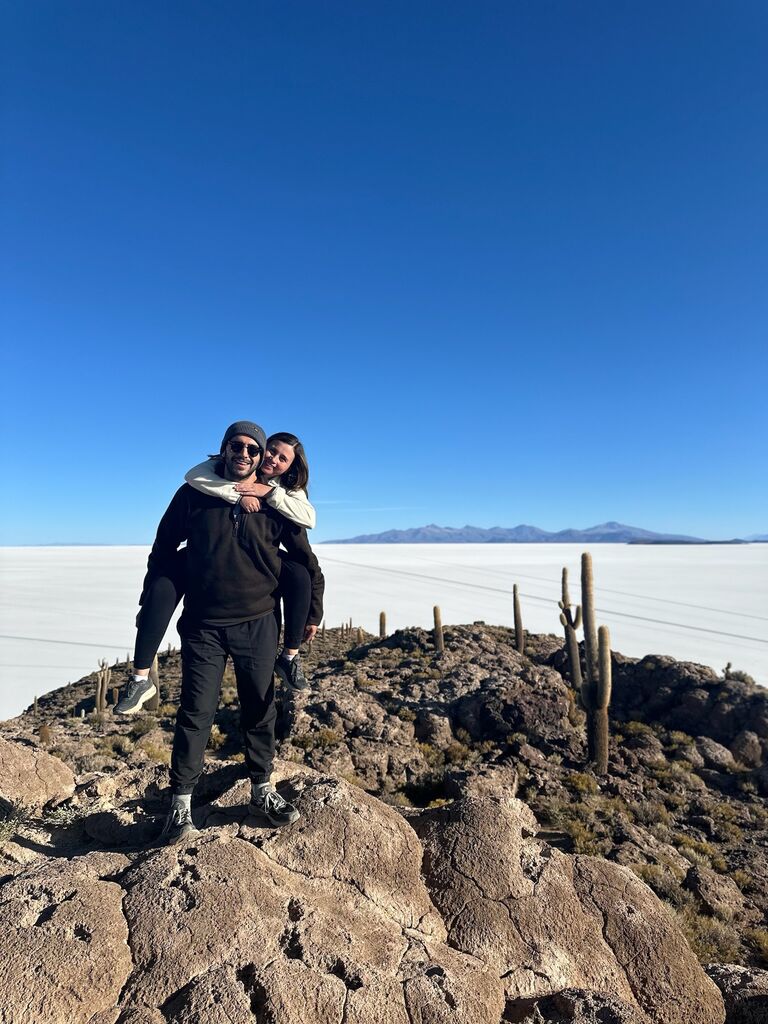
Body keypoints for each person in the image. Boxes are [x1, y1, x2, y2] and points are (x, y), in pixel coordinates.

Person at [137, 421, 324, 844]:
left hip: (258, 623)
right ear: (222, 449)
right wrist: (150, 601)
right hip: (202, 625)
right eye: (235, 446)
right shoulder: (194, 495)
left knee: (260, 708)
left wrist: (312, 612)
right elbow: (163, 549)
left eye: (253, 450)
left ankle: (262, 789)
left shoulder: (278, 503)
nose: (244, 454)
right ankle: (180, 804)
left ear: (261, 460)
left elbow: (303, 564)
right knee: (195, 713)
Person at [116, 431, 319, 715]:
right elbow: (195, 477)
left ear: (290, 467)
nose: (272, 458)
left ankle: (289, 656)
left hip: (258, 601)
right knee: (168, 574)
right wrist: (239, 495)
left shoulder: (288, 494)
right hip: (205, 597)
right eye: (270, 450)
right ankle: (140, 677)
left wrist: (269, 494)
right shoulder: (210, 478)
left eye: (282, 458)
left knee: (297, 573)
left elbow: (308, 541)